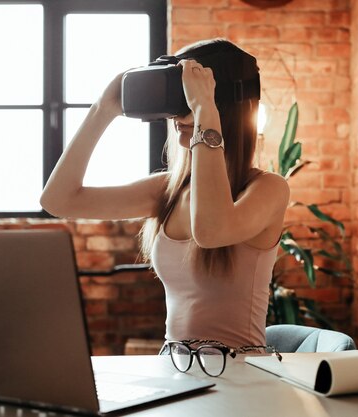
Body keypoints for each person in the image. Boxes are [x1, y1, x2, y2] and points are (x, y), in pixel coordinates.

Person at [40, 39, 290, 349]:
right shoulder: (167, 191)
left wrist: (204, 113)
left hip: (242, 372)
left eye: (188, 97)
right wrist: (103, 109)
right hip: (174, 368)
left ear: (222, 103)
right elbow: (58, 200)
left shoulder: (268, 189)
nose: (175, 116)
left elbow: (211, 231)